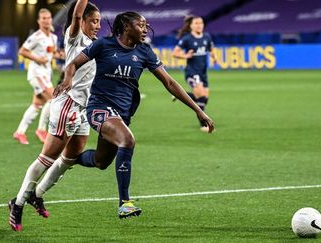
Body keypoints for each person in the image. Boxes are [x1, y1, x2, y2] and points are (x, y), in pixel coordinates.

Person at [32, 11, 214, 220]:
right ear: (127, 27)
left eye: (146, 25)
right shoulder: (103, 45)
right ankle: (124, 203)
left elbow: (170, 83)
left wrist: (199, 110)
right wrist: (68, 79)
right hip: (98, 108)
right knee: (127, 140)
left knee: (101, 161)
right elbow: (74, 63)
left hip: (121, 115)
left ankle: (70, 156)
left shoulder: (145, 52)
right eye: (141, 25)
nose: (145, 29)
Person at [8, 0, 101, 231]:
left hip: (81, 109)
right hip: (68, 105)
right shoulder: (76, 36)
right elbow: (77, 15)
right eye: (94, 21)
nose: (98, 25)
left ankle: (36, 194)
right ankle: (17, 203)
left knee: (71, 158)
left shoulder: (93, 43)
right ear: (81, 21)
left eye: (99, 21)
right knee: (47, 157)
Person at [13, 8, 60, 145]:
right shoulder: (36, 37)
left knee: (36, 105)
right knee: (53, 99)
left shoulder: (53, 37)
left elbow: (52, 53)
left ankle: (20, 132)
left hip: (46, 75)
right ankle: (41, 130)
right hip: (36, 74)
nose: (46, 20)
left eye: (48, 17)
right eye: (43, 18)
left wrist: (62, 55)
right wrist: (37, 59)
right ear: (39, 21)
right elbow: (22, 51)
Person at [172, 16, 218, 132]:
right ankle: (204, 125)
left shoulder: (207, 37)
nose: (199, 25)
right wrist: (185, 56)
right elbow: (175, 52)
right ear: (191, 25)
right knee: (201, 98)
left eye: (201, 23)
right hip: (192, 72)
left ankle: (180, 95)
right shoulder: (187, 38)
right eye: (196, 23)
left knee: (204, 99)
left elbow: (211, 48)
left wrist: (214, 56)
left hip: (203, 73)